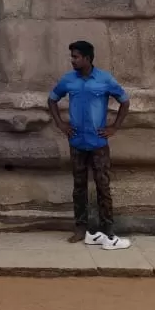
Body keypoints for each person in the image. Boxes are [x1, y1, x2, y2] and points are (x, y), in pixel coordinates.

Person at [48, 40, 131, 249]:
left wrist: (114, 127)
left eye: (76, 57)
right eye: (72, 56)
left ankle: (108, 228)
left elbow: (125, 101)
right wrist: (60, 124)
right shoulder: (68, 80)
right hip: (76, 142)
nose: (72, 60)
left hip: (98, 143)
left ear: (87, 58)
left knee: (103, 185)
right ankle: (80, 228)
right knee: (79, 187)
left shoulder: (104, 79)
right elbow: (52, 99)